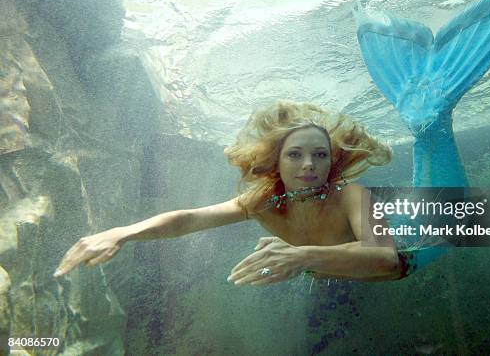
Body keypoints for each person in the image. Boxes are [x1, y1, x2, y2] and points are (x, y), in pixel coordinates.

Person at [54, 101, 413, 284]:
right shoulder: (265, 199)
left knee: (451, 212)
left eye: (320, 155)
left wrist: (300, 256)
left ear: (331, 161)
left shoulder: (352, 196)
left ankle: (431, 123)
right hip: (336, 271)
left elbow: (386, 258)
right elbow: (190, 219)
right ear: (276, 161)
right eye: (295, 154)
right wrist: (122, 232)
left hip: (412, 252)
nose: (309, 164)